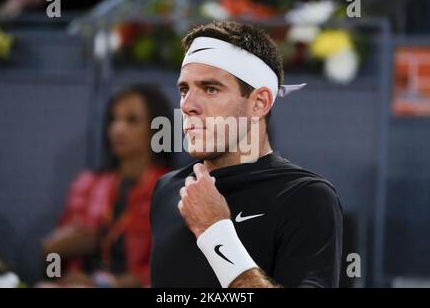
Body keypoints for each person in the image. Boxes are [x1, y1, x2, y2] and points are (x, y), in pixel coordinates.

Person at [150, 21, 343, 288]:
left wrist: (215, 233)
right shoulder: (166, 189)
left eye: (210, 89)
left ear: (259, 103)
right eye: (184, 89)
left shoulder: (307, 197)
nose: (188, 105)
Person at [42, 84, 172, 288]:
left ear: (157, 128)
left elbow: (172, 268)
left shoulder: (172, 190)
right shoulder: (86, 186)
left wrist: (107, 284)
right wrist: (52, 252)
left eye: (132, 120)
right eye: (113, 119)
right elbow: (53, 272)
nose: (117, 129)